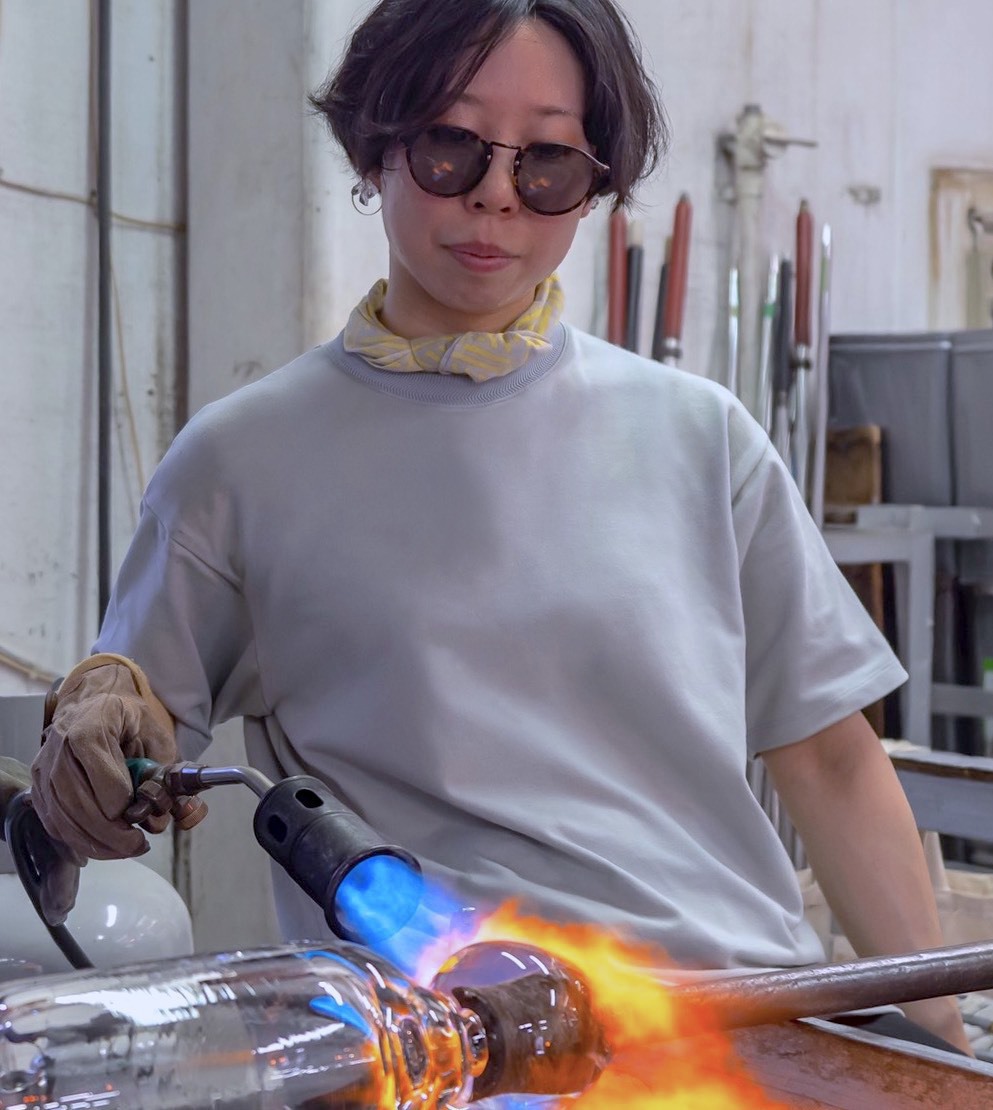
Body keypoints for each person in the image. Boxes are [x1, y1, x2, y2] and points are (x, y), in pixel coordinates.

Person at [29, 0, 969, 1056]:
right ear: (376, 146)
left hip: (737, 1020)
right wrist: (103, 722)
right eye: (451, 145)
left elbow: (831, 761)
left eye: (548, 162)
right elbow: (136, 740)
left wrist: (940, 1048)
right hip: (468, 1047)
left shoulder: (700, 438)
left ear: (594, 183)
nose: (495, 194)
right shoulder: (243, 462)